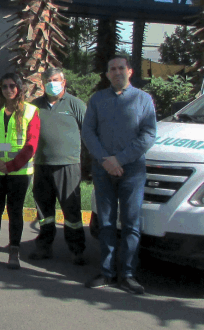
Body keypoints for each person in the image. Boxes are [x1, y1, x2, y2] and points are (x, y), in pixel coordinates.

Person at [82, 54, 156, 294]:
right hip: (103, 170)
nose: (116, 72)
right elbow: (88, 133)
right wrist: (106, 161)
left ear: (130, 71)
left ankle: (128, 274)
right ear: (107, 74)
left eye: (121, 68)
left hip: (132, 170)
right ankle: (107, 272)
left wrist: (119, 160)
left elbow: (148, 135)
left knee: (131, 223)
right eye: (112, 69)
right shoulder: (97, 99)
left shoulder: (143, 100)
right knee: (105, 222)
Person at [0, 73, 39, 270]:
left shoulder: (31, 111)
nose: (8, 90)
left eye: (13, 86)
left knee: (15, 212)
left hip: (18, 173)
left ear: (19, 88)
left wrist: (11, 165)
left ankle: (14, 253)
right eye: (4, 86)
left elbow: (32, 144)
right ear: (0, 89)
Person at [29, 66, 87, 265]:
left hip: (68, 165)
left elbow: (88, 134)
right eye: (48, 80)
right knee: (44, 212)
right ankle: (44, 247)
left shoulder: (75, 104)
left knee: (71, 210)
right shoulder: (35, 106)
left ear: (64, 82)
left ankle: (77, 250)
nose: (52, 83)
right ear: (43, 84)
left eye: (56, 80)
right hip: (42, 165)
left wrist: (88, 165)